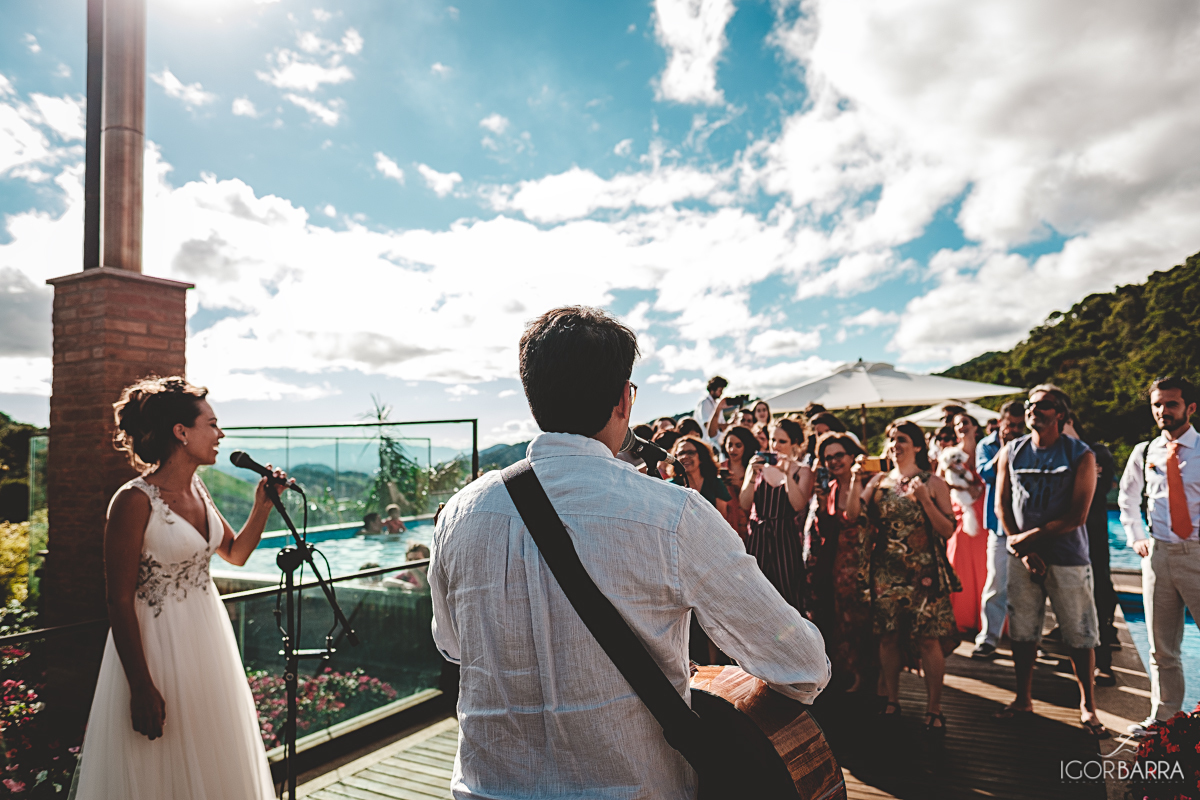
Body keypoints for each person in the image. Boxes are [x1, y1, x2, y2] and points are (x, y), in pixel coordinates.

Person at [429, 306, 829, 799]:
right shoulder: (673, 515)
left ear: (534, 396)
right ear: (624, 398)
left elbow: (452, 646)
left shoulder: (461, 512)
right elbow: (802, 666)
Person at [74, 377, 283, 799]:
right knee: (159, 768)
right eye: (213, 424)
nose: (221, 434)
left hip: (207, 642)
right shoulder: (133, 500)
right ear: (181, 432)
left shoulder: (199, 489)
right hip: (157, 647)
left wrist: (262, 506)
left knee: (210, 755)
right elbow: (118, 599)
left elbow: (236, 553)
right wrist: (140, 685)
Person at [995, 384, 1104, 738]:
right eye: (1030, 404)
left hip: (1067, 557)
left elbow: (1078, 515)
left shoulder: (1081, 454)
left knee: (1079, 634)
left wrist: (1028, 540)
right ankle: (1023, 699)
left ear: (1060, 413)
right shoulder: (1011, 451)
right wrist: (1024, 550)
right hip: (1022, 557)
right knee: (1023, 631)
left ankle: (1088, 706)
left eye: (1043, 405)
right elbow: (1002, 504)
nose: (1033, 410)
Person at [847, 421, 959, 733]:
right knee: (888, 636)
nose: (895, 444)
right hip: (886, 571)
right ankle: (893, 700)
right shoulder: (879, 481)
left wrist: (925, 500)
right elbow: (853, 515)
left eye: (903, 439)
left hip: (924, 573)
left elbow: (948, 530)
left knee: (928, 638)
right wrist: (855, 479)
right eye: (892, 439)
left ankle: (934, 708)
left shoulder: (933, 482)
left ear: (918, 446)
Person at [1118, 376, 1200, 738]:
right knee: (1161, 646)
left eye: (1171, 404)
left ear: (1190, 408)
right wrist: (1136, 536)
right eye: (1157, 404)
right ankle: (1164, 719)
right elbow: (1127, 497)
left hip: (1197, 553)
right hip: (1158, 555)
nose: (1162, 411)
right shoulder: (1144, 452)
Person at [804, 433, 875, 694]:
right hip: (839, 563)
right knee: (843, 620)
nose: (834, 461)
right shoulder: (831, 487)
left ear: (852, 455)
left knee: (865, 620)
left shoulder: (872, 481)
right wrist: (823, 505)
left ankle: (869, 676)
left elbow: (860, 516)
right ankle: (848, 673)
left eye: (839, 455)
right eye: (828, 458)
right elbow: (825, 530)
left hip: (869, 561)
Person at [1063, 413, 1118, 685]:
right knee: (1070, 601)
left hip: (1092, 537)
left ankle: (1104, 661)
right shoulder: (1053, 454)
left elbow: (1103, 487)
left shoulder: (1096, 452)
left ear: (1069, 420)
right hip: (1065, 539)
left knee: (1100, 596)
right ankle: (1076, 657)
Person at [740, 418, 814, 613]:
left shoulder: (802, 471)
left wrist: (787, 474)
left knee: (788, 594)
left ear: (794, 444)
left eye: (782, 441)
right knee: (756, 592)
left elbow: (798, 505)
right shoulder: (758, 467)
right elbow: (744, 503)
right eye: (773, 440)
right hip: (757, 535)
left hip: (785, 537)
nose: (776, 446)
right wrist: (750, 475)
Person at [972, 400, 1025, 659]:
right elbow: (986, 475)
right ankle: (988, 637)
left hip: (1026, 527)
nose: (1014, 430)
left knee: (1026, 589)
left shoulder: (1030, 444)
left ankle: (1026, 639)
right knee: (995, 584)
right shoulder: (986, 445)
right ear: (1001, 422)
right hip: (999, 528)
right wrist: (1004, 450)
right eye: (1010, 425)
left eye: (1019, 426)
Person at [943, 413, 987, 637]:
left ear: (975, 426)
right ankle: (962, 617)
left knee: (984, 565)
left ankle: (985, 620)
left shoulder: (986, 450)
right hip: (961, 511)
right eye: (958, 424)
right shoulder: (951, 454)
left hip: (983, 510)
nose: (961, 427)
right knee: (959, 563)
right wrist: (961, 488)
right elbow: (942, 482)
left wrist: (978, 489)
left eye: (965, 423)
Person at [718, 426, 756, 540]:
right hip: (727, 524)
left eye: (738, 445)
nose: (732, 449)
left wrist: (741, 486)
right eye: (729, 445)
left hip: (751, 523)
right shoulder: (719, 468)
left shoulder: (753, 468)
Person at [694, 376, 728, 444]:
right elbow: (707, 425)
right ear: (712, 390)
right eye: (720, 390)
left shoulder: (716, 404)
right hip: (707, 443)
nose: (721, 393)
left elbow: (722, 426)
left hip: (716, 442)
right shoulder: (705, 403)